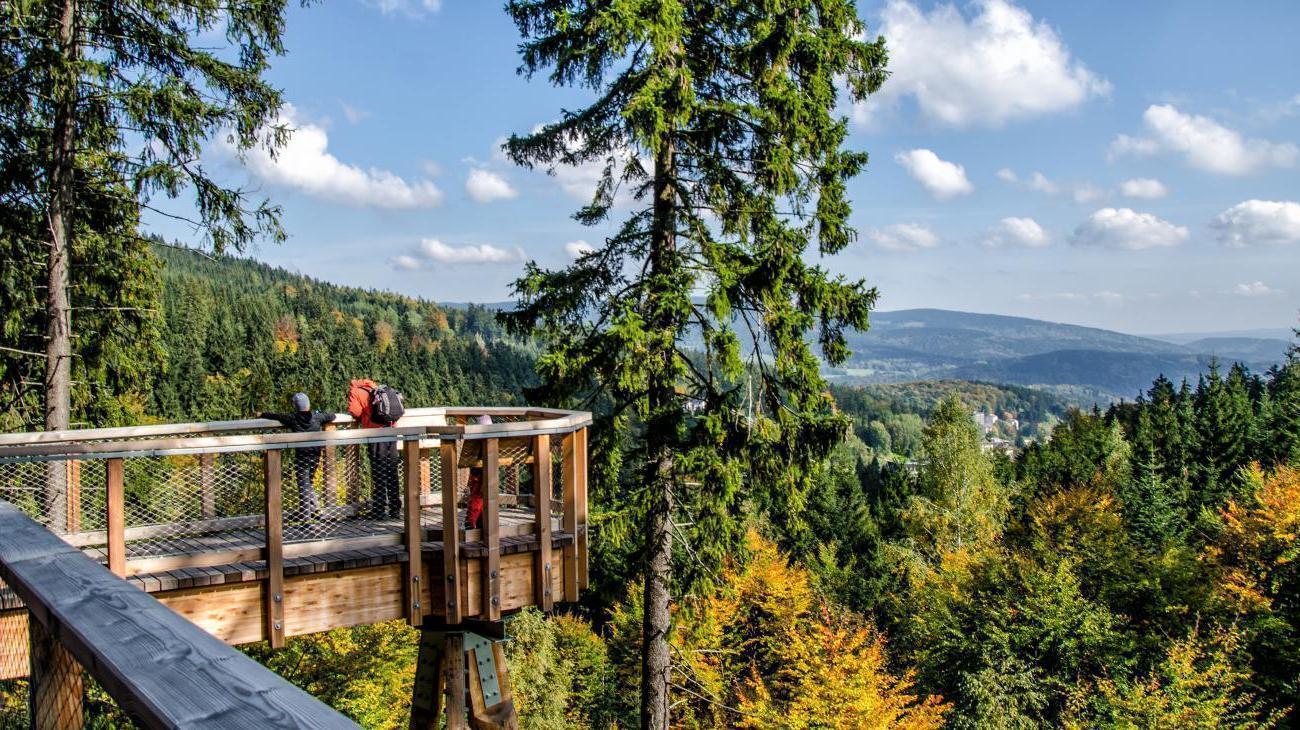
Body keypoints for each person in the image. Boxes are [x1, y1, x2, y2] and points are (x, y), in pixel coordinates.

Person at [259, 392, 336, 519]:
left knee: (303, 484)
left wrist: (262, 414)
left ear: (295, 406)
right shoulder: (317, 417)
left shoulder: (293, 418)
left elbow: (276, 416)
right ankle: (316, 510)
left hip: (302, 456)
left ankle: (306, 517)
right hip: (315, 455)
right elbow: (331, 415)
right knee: (308, 482)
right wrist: (319, 412)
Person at [347, 378, 401, 518]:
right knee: (391, 470)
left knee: (379, 471)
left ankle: (379, 509)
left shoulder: (355, 391)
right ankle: (395, 508)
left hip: (375, 433)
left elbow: (355, 412)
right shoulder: (375, 387)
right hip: (391, 430)